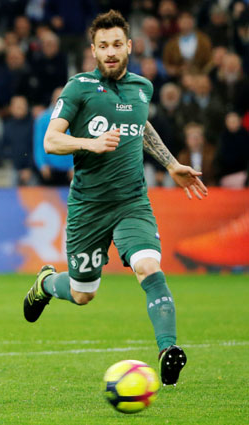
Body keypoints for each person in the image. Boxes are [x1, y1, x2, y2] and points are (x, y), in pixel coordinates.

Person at [21, 11, 208, 387]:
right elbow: (51, 140)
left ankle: (168, 350)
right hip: (88, 207)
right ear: (92, 50)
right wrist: (89, 143)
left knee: (148, 267)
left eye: (117, 45)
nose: (110, 52)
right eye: (103, 46)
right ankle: (44, 284)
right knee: (82, 293)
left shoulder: (143, 88)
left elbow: (140, 124)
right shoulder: (78, 88)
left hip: (131, 202)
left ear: (130, 47)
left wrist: (171, 163)